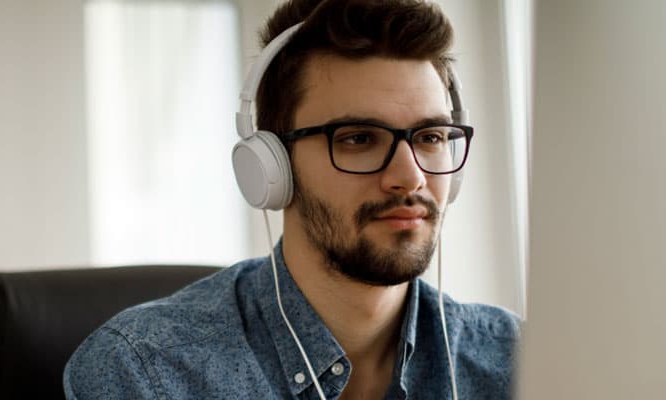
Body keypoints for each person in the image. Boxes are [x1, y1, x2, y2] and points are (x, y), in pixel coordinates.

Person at [64, 0, 519, 398]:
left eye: (431, 136)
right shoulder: (146, 371)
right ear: (271, 167)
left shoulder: (518, 362)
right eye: (359, 138)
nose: (410, 177)